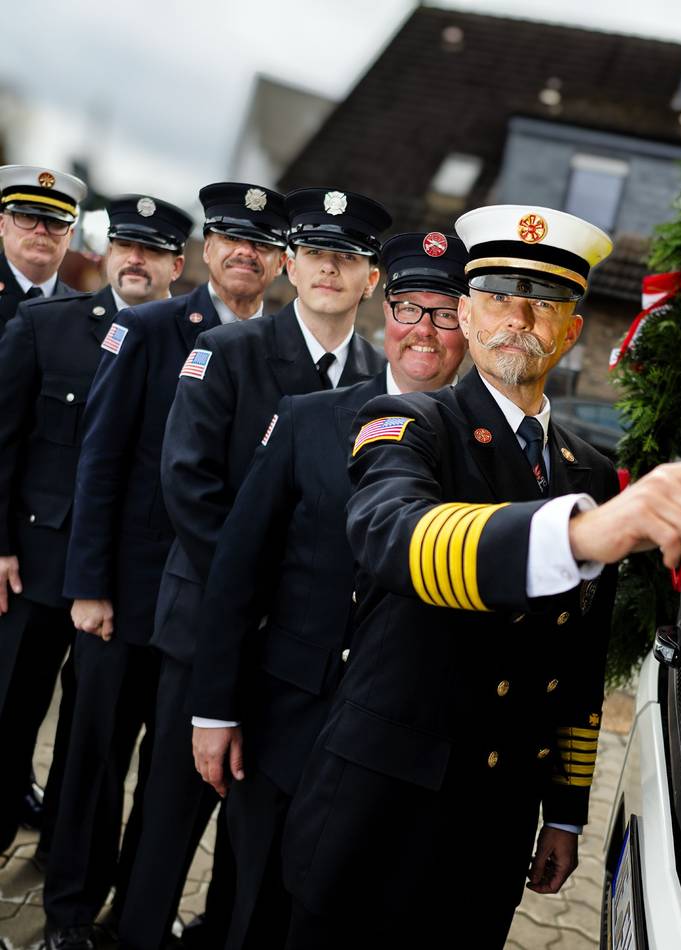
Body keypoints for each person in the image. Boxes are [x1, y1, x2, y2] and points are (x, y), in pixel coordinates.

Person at [281, 205, 681, 949]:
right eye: (499, 297)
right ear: (466, 316)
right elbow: (393, 535)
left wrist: (565, 810)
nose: (520, 319)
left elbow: (576, 661)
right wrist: (577, 534)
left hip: (494, 825)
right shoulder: (409, 424)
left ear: (571, 331)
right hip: (380, 810)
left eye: (546, 304)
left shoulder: (591, 472)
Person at [116, 187, 388, 950]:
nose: (330, 269)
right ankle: (136, 934)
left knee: (259, 830)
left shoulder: (376, 376)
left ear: (371, 282)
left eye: (350, 259)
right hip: (210, 622)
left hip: (299, 659)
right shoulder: (229, 351)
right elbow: (188, 484)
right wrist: (258, 594)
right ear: (290, 268)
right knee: (171, 812)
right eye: (315, 254)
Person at [189, 230, 468, 948]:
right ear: (385, 312)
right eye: (409, 309)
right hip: (285, 723)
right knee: (246, 909)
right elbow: (237, 573)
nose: (423, 332)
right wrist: (214, 709)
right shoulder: (311, 418)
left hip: (396, 749)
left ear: (467, 325)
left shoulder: (482, 450)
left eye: (444, 314)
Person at [44, 183, 286, 950]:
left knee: (170, 780)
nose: (244, 252)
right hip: (126, 597)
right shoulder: (148, 329)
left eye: (260, 242)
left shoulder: (283, 348)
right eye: (230, 238)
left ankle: (132, 910)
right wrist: (88, 585)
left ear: (278, 261)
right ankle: (69, 914)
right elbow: (101, 457)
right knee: (94, 760)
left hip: (208, 620)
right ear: (207, 252)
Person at [0, 195, 190, 872]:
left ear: (177, 263)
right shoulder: (46, 328)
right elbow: (5, 445)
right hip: (41, 562)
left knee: (91, 730)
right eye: (126, 246)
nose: (136, 261)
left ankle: (61, 846)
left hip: (130, 583)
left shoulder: (200, 348)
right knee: (13, 705)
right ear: (108, 253)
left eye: (154, 251)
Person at [0, 164, 86, 329]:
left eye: (55, 222)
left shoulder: (82, 314)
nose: (41, 230)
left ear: (70, 236)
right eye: (27, 216)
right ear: (2, 224)